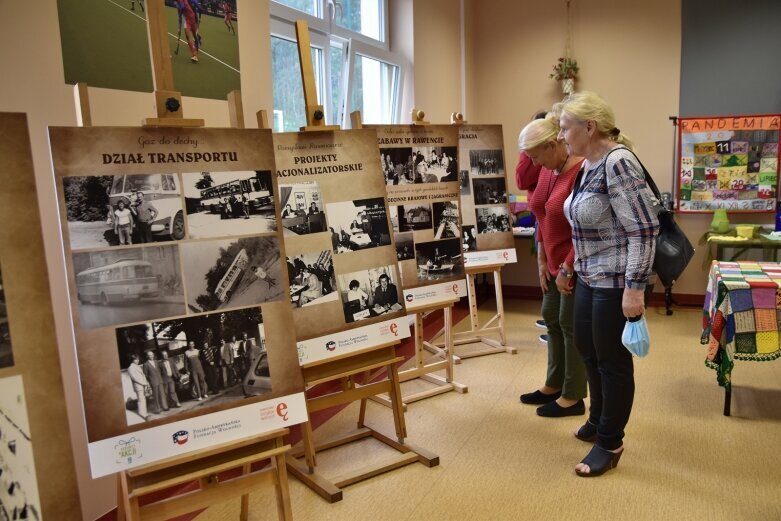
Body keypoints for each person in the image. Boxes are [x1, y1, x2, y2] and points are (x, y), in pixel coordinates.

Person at [558, 91, 659, 477]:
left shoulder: (618, 162)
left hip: (617, 280)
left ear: (589, 126)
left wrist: (635, 288)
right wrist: (571, 268)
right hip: (588, 274)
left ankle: (610, 441)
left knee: (612, 361)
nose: (562, 135)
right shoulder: (587, 164)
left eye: (566, 127)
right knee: (587, 349)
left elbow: (644, 228)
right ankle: (598, 420)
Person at [517, 110, 587, 421]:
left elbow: (585, 229)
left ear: (552, 144)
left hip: (575, 264)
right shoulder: (549, 169)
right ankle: (553, 383)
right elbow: (542, 214)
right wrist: (543, 257)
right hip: (552, 260)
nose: (533, 165)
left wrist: (567, 267)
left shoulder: (581, 171)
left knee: (570, 326)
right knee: (551, 319)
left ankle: (573, 396)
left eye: (535, 156)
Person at [127, 354, 150, 421]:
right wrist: (143, 383)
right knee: (141, 400)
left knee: (144, 399)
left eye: (138, 359)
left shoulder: (137, 366)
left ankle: (145, 413)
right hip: (138, 386)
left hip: (143, 385)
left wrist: (146, 383)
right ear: (132, 360)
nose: (137, 360)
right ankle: (142, 413)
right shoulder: (131, 368)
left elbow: (143, 376)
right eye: (135, 359)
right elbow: (135, 378)